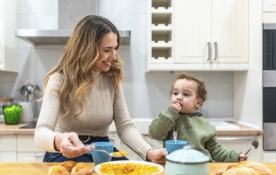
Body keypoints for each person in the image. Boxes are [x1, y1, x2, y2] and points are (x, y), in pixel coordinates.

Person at [34, 15, 167, 163]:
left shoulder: (111, 79)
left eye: (115, 49)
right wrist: (60, 140)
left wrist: (149, 152)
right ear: (86, 50)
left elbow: (125, 127)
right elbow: (40, 133)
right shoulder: (59, 80)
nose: (114, 56)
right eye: (107, 50)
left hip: (103, 150)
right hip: (65, 153)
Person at [149, 73, 248, 162]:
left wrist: (235, 156)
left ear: (198, 102)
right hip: (176, 168)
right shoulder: (168, 118)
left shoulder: (206, 126)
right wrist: (171, 113)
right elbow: (155, 133)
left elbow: (216, 151)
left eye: (186, 94)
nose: (178, 97)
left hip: (201, 167)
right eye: (175, 93)